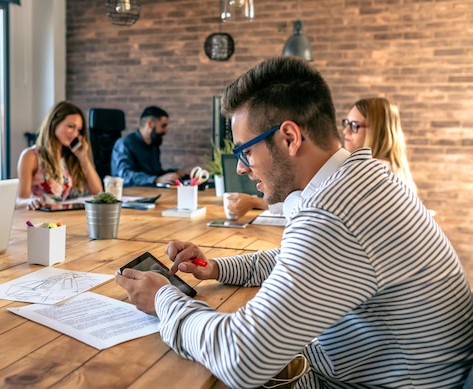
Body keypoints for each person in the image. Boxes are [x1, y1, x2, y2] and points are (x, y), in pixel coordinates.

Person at [115, 57, 473, 388]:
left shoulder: (333, 213)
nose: (241, 166)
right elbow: (299, 258)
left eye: (245, 151)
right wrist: (216, 268)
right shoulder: (363, 177)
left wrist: (162, 298)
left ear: (289, 137)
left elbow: (242, 357)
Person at [16, 101, 102, 210]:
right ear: (54, 122)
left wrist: (83, 157)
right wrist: (30, 201)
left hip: (62, 219)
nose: (75, 134)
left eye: (78, 130)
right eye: (71, 126)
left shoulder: (69, 156)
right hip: (39, 219)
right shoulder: (31, 156)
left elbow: (98, 192)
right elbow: (20, 200)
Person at [343, 97, 417, 193]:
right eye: (346, 123)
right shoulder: (394, 170)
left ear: (376, 131)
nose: (345, 131)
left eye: (354, 125)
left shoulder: (372, 173)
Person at [110, 106, 186, 187]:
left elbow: (154, 173)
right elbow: (124, 175)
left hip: (151, 192)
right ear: (150, 124)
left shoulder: (153, 146)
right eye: (163, 126)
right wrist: (155, 179)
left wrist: (173, 174)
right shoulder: (124, 144)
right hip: (131, 194)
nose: (165, 131)